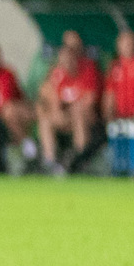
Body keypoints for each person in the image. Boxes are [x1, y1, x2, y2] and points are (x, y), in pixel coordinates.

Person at [36, 31, 100, 173]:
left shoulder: (88, 70)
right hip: (67, 117)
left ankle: (80, 158)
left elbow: (89, 101)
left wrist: (71, 109)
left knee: (78, 112)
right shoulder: (57, 74)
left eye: (69, 59)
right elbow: (55, 100)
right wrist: (57, 112)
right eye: (63, 61)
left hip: (86, 117)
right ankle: (50, 161)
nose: (67, 64)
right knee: (45, 119)